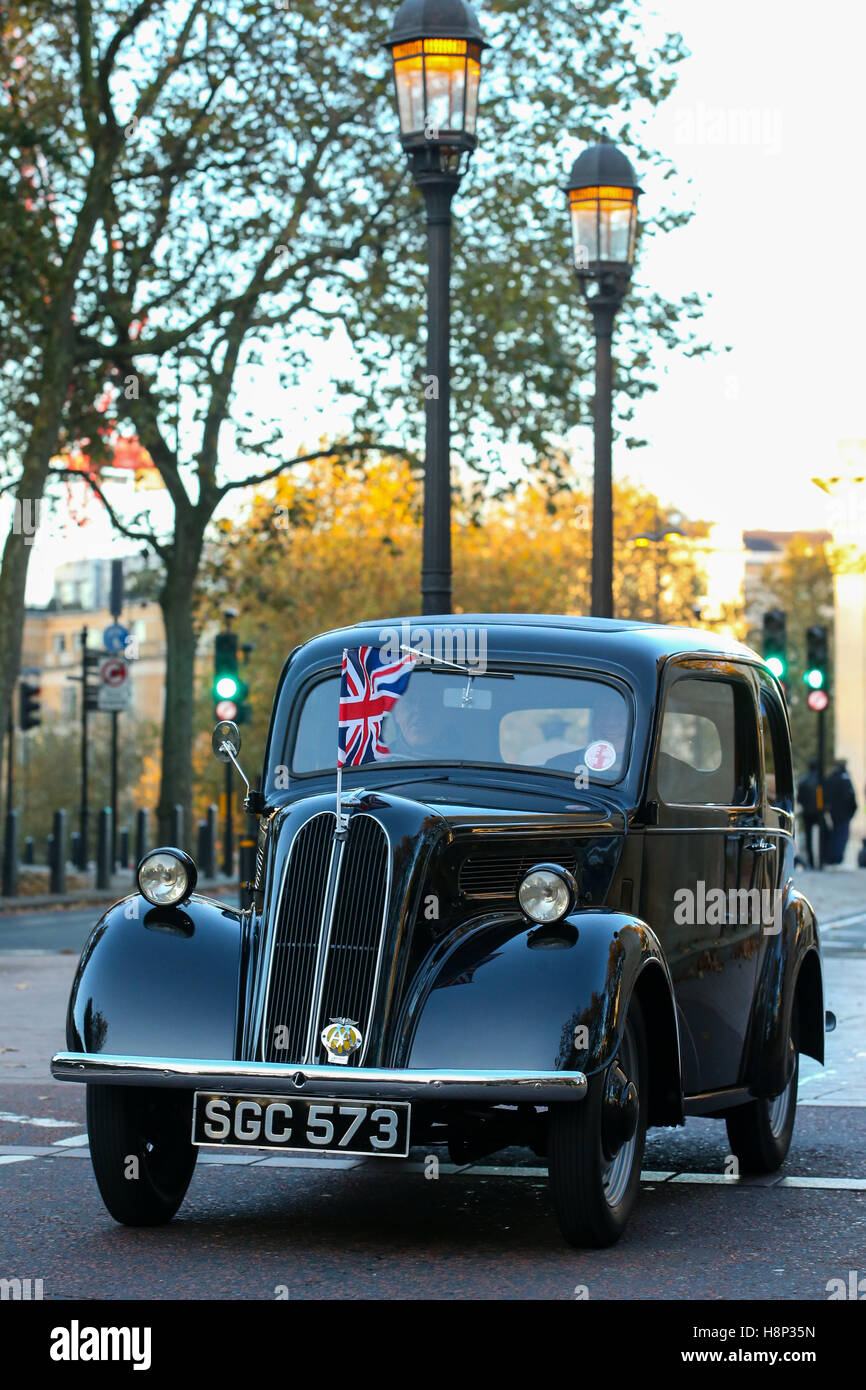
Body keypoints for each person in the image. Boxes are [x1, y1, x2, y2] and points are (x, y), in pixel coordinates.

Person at [823, 759, 857, 866]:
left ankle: (832, 857)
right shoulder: (845, 778)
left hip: (834, 812)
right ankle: (837, 858)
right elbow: (851, 797)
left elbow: (825, 794)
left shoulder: (831, 778)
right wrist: (852, 811)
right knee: (842, 835)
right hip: (844, 813)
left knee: (835, 834)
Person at [796, 758, 822, 869]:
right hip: (818, 812)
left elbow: (799, 799)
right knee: (822, 836)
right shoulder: (821, 781)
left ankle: (811, 862)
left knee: (808, 838)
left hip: (807, 812)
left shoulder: (803, 781)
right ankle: (820, 861)